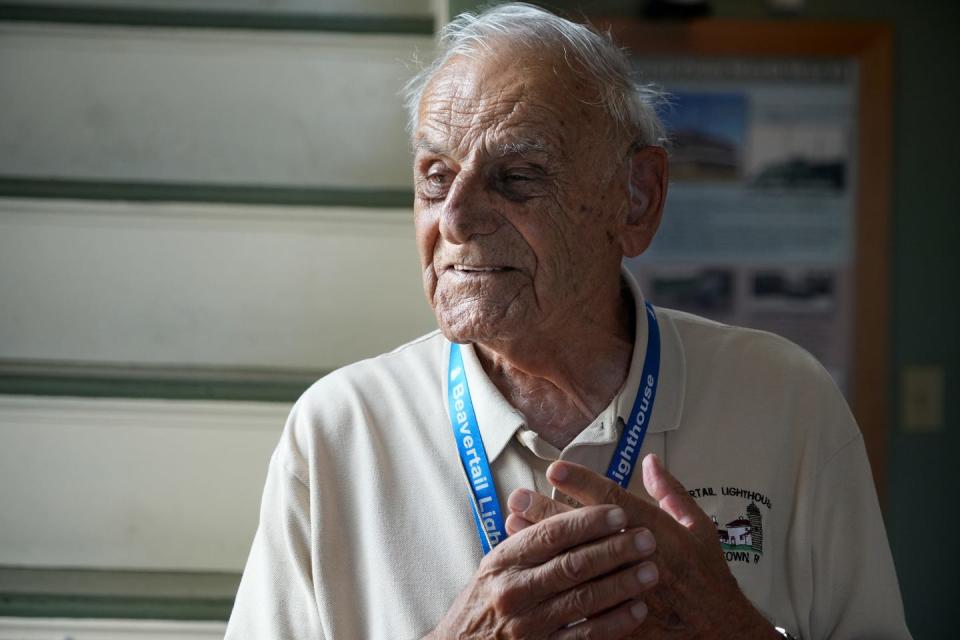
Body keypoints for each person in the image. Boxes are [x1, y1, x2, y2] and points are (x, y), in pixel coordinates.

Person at [225, 4, 911, 638]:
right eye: (436, 175)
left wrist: (734, 627)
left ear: (637, 199)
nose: (456, 218)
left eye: (518, 175)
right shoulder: (341, 429)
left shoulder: (786, 399)